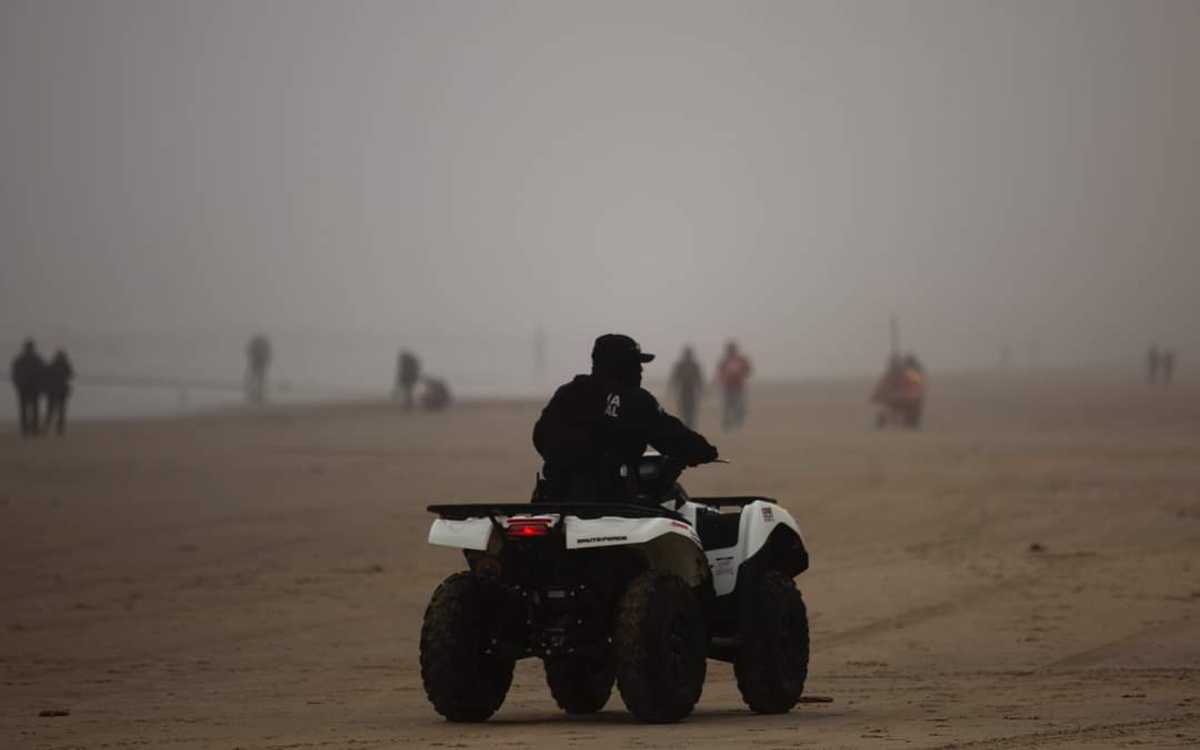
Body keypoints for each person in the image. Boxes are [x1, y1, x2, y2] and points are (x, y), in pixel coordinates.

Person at [532, 333, 718, 502]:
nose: (641, 371)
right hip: (609, 499)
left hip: (553, 495)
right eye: (636, 364)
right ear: (622, 366)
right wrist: (704, 451)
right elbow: (672, 436)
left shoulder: (568, 392)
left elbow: (539, 436)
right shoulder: (635, 399)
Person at [10, 339, 45, 436]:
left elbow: (14, 374)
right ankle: (33, 429)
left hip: (24, 388)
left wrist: (17, 384)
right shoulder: (37, 360)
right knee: (33, 409)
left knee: (24, 409)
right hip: (32, 388)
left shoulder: (19, 360)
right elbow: (43, 374)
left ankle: (25, 429)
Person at [716, 340, 752, 431]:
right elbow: (720, 372)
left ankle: (738, 423)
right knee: (726, 407)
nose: (731, 351)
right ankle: (726, 425)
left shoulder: (741, 360)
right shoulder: (724, 361)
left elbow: (748, 370)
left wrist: (741, 373)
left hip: (738, 387)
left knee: (739, 406)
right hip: (727, 387)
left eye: (732, 349)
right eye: (730, 349)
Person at [668, 346, 704, 428]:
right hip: (683, 391)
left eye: (689, 354)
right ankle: (686, 426)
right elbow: (674, 378)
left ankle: (690, 426)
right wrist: (671, 388)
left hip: (691, 391)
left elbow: (699, 379)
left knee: (691, 410)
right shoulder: (680, 365)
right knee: (684, 410)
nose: (688, 356)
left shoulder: (694, 365)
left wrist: (702, 389)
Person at [42, 349, 74, 435]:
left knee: (54, 411)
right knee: (57, 411)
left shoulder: (54, 365)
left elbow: (45, 376)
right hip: (57, 391)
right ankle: (56, 428)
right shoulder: (65, 365)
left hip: (55, 391)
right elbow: (71, 375)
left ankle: (52, 428)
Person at [245, 334, 272, 404]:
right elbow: (268, 353)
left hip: (259, 362)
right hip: (259, 362)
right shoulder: (262, 344)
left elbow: (249, 352)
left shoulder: (257, 343)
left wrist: (267, 359)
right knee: (258, 379)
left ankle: (256, 393)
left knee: (258, 379)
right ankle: (256, 393)